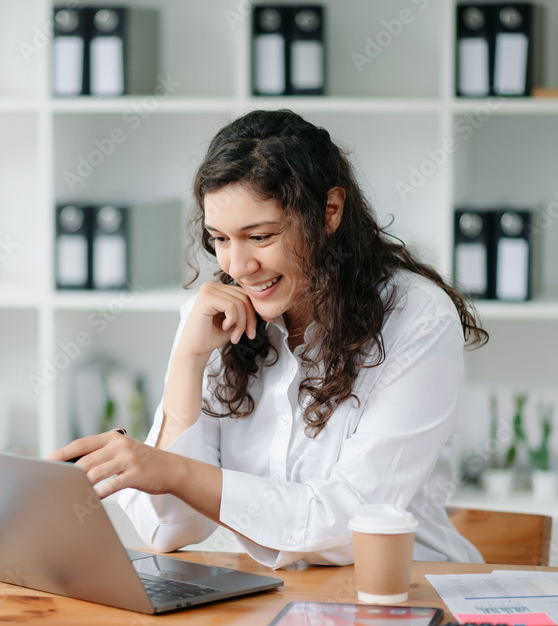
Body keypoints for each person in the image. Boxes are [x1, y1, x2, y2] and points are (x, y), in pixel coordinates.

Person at [49, 109, 488, 569]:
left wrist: (173, 471)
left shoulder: (416, 316)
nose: (238, 266)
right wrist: (188, 359)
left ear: (329, 212)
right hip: (275, 602)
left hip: (405, 591)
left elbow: (350, 525)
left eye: (259, 236)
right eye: (219, 239)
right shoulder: (219, 316)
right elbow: (170, 528)